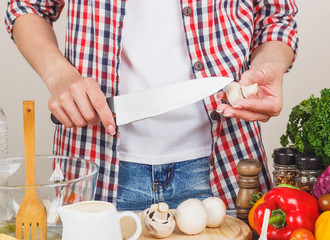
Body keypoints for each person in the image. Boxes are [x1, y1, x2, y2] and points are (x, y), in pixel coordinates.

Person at [5, 0, 298, 210]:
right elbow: (26, 7)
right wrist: (58, 75)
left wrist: (269, 64)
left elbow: (275, 16)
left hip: (230, 165)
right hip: (94, 168)